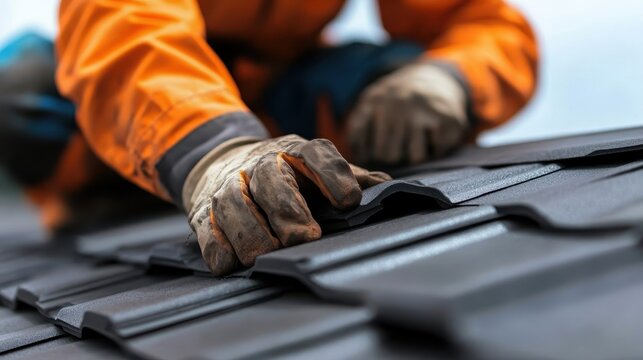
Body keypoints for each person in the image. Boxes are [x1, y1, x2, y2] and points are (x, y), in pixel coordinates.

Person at [0, 0, 538, 275]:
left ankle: (277, 173)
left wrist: (454, 76)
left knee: (395, 77)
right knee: (16, 89)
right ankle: (118, 190)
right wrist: (210, 150)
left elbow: (474, 19)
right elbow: (122, 29)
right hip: (136, 108)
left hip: (275, 96)